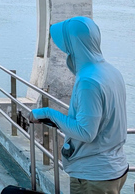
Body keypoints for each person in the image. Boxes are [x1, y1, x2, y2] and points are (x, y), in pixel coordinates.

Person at [30, 16, 128, 194]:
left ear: (74, 46)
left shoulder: (88, 81)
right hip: (115, 169)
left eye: (66, 46)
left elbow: (86, 132)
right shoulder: (112, 72)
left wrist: (48, 113)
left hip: (93, 177)